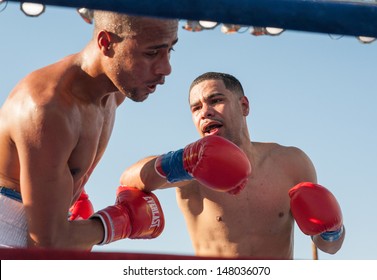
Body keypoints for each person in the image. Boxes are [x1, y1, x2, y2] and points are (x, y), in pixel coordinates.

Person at [0, 10, 179, 250]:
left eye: (170, 50)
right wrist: (120, 221)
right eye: (151, 53)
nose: (166, 68)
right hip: (11, 229)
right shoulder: (47, 108)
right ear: (106, 43)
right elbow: (48, 242)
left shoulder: (116, 92)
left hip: (46, 229)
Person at [120, 72, 346, 259]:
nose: (205, 112)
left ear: (244, 106)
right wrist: (181, 162)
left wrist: (332, 232)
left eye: (216, 100)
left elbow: (329, 247)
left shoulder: (291, 162)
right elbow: (129, 178)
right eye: (196, 108)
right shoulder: (193, 169)